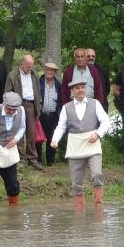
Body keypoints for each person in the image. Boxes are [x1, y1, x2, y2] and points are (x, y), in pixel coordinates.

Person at [51, 80, 110, 208]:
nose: (81, 90)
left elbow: (105, 121)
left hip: (93, 145)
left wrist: (97, 134)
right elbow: (61, 126)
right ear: (72, 91)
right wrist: (55, 139)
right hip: (75, 147)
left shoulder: (95, 104)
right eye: (77, 88)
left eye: (83, 87)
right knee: (76, 182)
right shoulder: (66, 107)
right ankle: (80, 212)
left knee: (97, 174)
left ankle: (99, 206)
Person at [4, 54, 43, 170]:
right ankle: (21, 158)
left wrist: (38, 107)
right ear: (22, 64)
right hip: (18, 106)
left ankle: (32, 158)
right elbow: (7, 92)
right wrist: (10, 107)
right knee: (18, 133)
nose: (30, 68)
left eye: (31, 66)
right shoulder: (12, 75)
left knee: (31, 133)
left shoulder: (34, 74)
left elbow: (38, 91)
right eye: (28, 66)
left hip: (31, 105)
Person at [38, 62, 62, 166]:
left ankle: (50, 161)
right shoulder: (38, 82)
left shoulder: (58, 85)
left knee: (52, 137)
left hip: (53, 115)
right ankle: (37, 160)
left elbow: (60, 101)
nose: (49, 72)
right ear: (44, 70)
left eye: (51, 70)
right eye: (47, 69)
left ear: (55, 72)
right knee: (38, 138)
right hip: (41, 114)